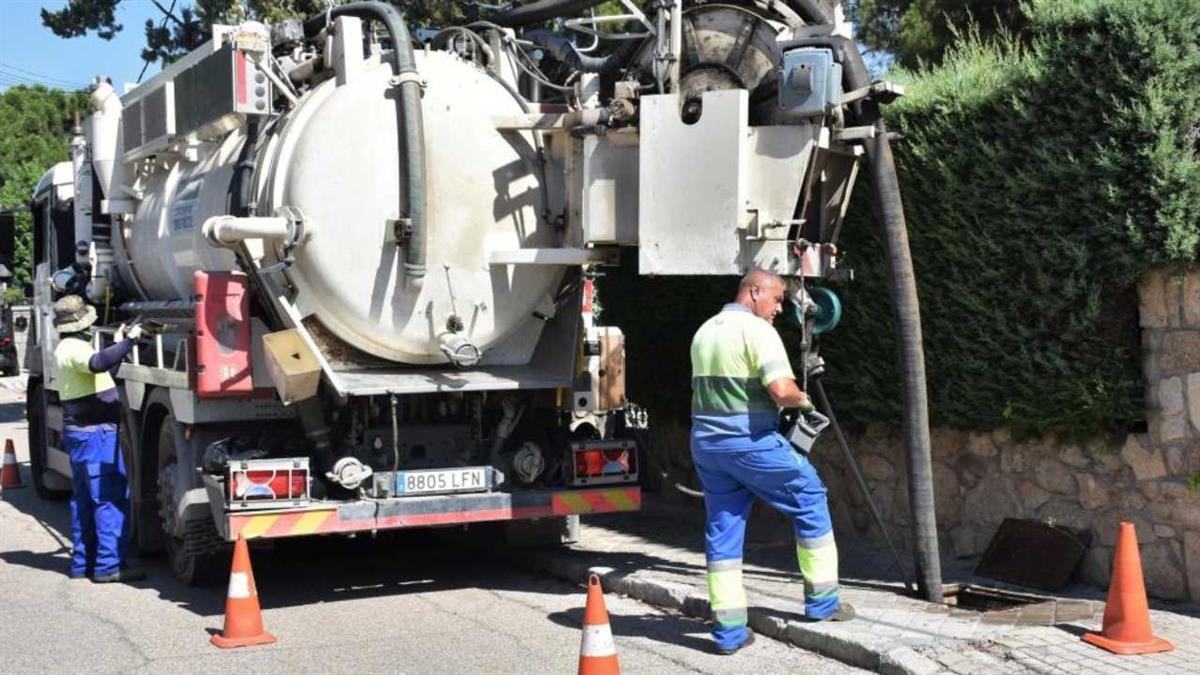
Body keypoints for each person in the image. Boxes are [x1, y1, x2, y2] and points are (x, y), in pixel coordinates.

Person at [690, 269, 853, 655]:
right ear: (754, 291)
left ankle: (729, 632)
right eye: (778, 299)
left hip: (707, 445)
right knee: (810, 494)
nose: (780, 308)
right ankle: (823, 603)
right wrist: (805, 399)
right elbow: (781, 391)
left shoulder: (705, 330)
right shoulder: (758, 331)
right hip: (750, 443)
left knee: (723, 529)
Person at [52, 295, 145, 583]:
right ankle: (108, 565)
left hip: (84, 433)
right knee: (109, 497)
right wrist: (130, 342)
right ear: (84, 322)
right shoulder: (74, 348)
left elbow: (103, 373)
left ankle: (83, 563)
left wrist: (119, 345)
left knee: (84, 498)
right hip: (95, 434)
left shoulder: (66, 348)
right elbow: (96, 363)